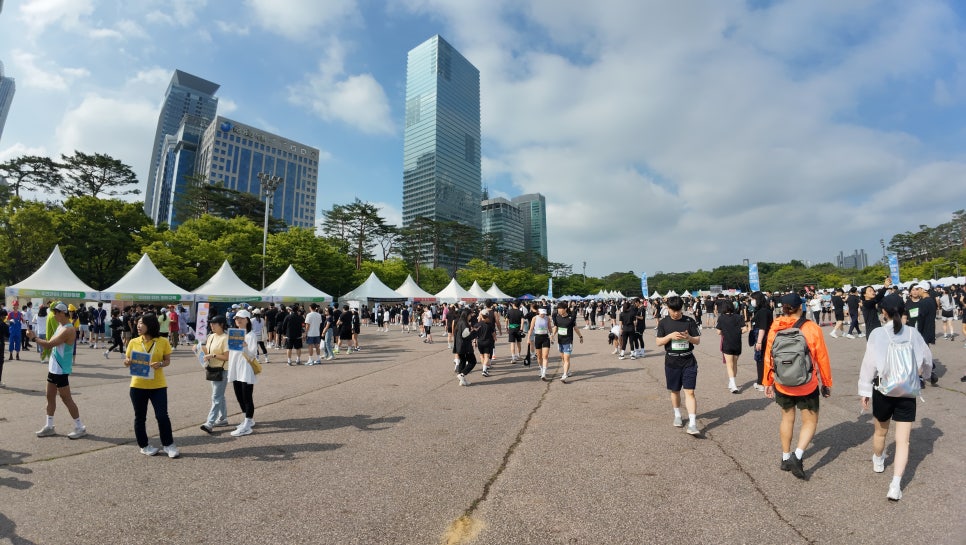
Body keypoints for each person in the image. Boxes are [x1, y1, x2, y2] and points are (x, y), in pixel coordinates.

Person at [857, 294, 932, 501]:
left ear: (883, 312)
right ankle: (895, 485)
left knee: (880, 433)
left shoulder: (877, 334)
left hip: (883, 390)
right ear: (903, 310)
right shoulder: (913, 333)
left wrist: (864, 391)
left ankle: (878, 459)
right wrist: (924, 376)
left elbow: (868, 365)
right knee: (903, 441)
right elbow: (927, 359)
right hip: (907, 391)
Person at [762, 293, 833, 480]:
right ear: (800, 307)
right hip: (806, 383)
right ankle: (798, 456)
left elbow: (769, 356)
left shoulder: (775, 327)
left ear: (783, 307)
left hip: (782, 382)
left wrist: (767, 381)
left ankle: (785, 457)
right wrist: (826, 383)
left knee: (787, 418)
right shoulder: (811, 328)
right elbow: (822, 358)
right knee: (810, 420)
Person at [122, 313, 178, 457]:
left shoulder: (163, 341)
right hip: (137, 385)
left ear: (151, 325)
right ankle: (144, 446)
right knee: (140, 417)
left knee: (162, 416)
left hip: (158, 385)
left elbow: (167, 361)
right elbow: (127, 359)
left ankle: (168, 445)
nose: (138, 326)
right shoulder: (133, 341)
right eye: (137, 323)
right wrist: (127, 361)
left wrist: (159, 364)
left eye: (141, 323)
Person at [27, 303, 87, 439]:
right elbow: (50, 342)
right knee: (49, 396)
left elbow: (48, 344)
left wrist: (34, 338)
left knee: (66, 399)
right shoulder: (61, 326)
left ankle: (80, 427)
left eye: (55, 313)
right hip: (53, 368)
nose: (53, 315)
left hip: (61, 369)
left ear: (62, 313)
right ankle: (49, 426)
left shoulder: (68, 330)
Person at [655, 296, 702, 435]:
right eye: (673, 310)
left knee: (690, 391)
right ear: (667, 308)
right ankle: (677, 415)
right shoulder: (664, 323)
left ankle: (693, 424)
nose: (676, 313)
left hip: (688, 360)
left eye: (678, 310)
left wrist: (689, 338)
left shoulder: (689, 321)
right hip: (672, 361)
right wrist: (670, 336)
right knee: (675, 391)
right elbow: (658, 342)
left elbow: (697, 340)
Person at [227, 310, 260, 437]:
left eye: (241, 318)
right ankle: (248, 420)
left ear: (247, 319)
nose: (238, 321)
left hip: (246, 370)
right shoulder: (234, 333)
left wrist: (245, 346)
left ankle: (247, 424)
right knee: (239, 396)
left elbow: (252, 355)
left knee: (247, 397)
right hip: (235, 369)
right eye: (236, 319)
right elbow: (232, 353)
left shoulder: (251, 335)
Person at [198, 314, 230, 434]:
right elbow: (207, 350)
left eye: (214, 323)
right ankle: (222, 418)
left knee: (216, 397)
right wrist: (199, 348)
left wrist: (213, 355)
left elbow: (227, 357)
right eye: (210, 323)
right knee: (219, 395)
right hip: (212, 369)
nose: (211, 325)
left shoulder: (226, 338)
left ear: (221, 324)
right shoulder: (211, 336)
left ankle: (210, 423)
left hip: (222, 370)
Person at [716, 299, 749, 393]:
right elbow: (745, 329)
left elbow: (718, 332)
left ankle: (733, 385)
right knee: (735, 364)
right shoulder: (739, 317)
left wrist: (726, 333)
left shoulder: (721, 318)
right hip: (737, 343)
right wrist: (737, 333)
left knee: (729, 365)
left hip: (727, 343)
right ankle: (732, 382)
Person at [551, 301, 583, 383]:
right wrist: (552, 335)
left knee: (566, 358)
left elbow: (575, 328)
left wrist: (580, 336)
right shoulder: (557, 317)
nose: (558, 310)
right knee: (563, 358)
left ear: (565, 309)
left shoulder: (571, 318)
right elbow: (556, 327)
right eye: (558, 309)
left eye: (560, 309)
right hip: (560, 341)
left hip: (568, 341)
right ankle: (567, 371)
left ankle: (564, 374)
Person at [453, 309, 478, 386]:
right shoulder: (464, 323)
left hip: (459, 346)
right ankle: (462, 375)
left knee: (463, 362)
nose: (471, 316)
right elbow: (466, 336)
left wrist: (471, 330)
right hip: (465, 346)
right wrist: (475, 332)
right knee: (472, 361)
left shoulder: (459, 322)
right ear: (467, 315)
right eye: (470, 315)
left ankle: (462, 380)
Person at [528, 307, 553, 380]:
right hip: (538, 337)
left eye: (544, 314)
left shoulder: (547, 318)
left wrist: (551, 335)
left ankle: (544, 373)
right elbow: (531, 329)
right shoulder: (535, 318)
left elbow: (549, 328)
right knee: (539, 356)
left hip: (545, 337)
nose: (543, 315)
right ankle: (541, 369)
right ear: (538, 312)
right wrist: (528, 338)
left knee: (545, 356)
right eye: (542, 314)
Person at [476, 310, 497, 377]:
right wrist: (495, 338)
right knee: (487, 356)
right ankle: (484, 370)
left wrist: (474, 341)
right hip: (488, 342)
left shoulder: (477, 324)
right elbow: (493, 334)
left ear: (481, 315)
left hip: (480, 342)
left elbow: (474, 334)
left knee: (481, 355)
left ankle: (484, 368)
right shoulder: (490, 324)